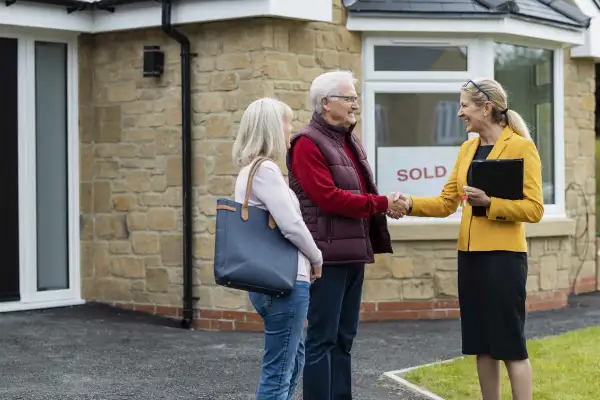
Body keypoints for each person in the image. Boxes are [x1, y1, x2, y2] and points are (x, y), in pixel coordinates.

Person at [399, 78, 543, 400]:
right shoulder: (467, 149)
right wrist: (408, 204)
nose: (459, 113)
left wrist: (490, 203)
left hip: (504, 259)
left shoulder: (521, 147)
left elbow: (534, 209)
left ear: (486, 108)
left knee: (509, 344)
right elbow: (446, 203)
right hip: (470, 258)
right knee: (481, 344)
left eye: (464, 106)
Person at [286, 70, 407, 400]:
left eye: (356, 97)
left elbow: (358, 193)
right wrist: (384, 203)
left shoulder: (348, 141)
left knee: (344, 339)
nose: (356, 104)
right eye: (349, 98)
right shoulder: (306, 144)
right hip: (326, 259)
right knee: (322, 340)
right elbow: (328, 197)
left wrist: (382, 206)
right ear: (326, 103)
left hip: (353, 254)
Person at [232, 97, 324, 400]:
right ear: (272, 127)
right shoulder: (266, 170)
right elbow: (292, 224)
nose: (290, 130)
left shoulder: (249, 172)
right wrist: (316, 257)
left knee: (291, 361)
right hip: (284, 283)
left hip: (267, 282)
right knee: (279, 373)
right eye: (286, 123)